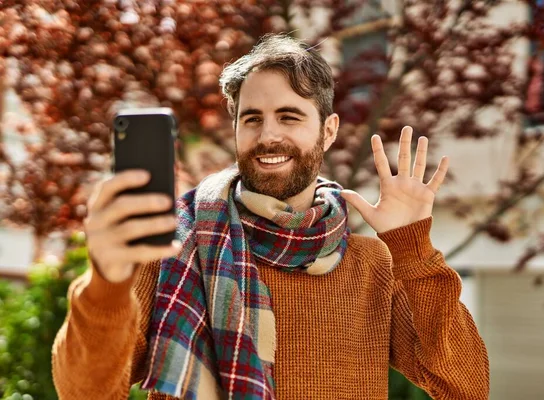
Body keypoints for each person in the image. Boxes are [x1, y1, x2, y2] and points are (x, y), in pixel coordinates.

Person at [52, 34, 489, 400]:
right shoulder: (173, 246)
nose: (268, 136)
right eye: (252, 119)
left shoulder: (373, 264)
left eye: (289, 116)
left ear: (329, 130)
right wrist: (107, 280)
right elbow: (82, 391)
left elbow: (465, 385)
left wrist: (412, 249)